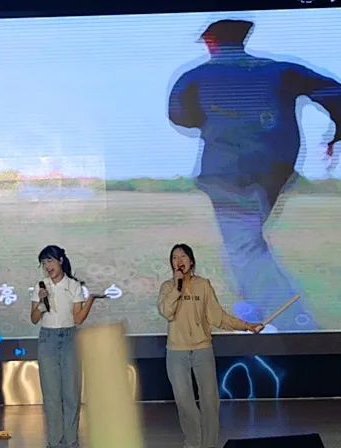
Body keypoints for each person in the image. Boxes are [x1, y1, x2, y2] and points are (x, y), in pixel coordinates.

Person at [168, 19, 341, 330]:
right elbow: (335, 92)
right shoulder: (282, 71)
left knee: (245, 247)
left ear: (210, 42)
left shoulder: (195, 77)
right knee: (246, 240)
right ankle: (254, 307)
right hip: (275, 171)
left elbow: (181, 117)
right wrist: (336, 133)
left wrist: (216, 116)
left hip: (227, 175)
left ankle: (297, 327)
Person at [158, 243, 263, 448]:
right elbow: (167, 312)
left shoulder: (203, 285)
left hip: (202, 349)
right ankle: (193, 443)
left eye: (183, 256)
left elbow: (218, 317)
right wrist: (178, 287)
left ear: (191, 261)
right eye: (174, 258)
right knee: (184, 402)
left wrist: (246, 326)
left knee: (209, 401)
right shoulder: (167, 287)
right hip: (176, 352)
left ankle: (209, 444)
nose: (178, 261)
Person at [30, 245, 101, 448]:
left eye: (50, 261)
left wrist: (90, 301)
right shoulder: (40, 286)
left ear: (60, 261)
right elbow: (34, 318)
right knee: (51, 395)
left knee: (71, 394)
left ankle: (71, 441)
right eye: (43, 263)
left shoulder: (73, 285)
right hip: (48, 339)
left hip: (70, 338)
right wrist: (41, 303)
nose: (47, 266)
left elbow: (78, 319)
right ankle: (54, 441)